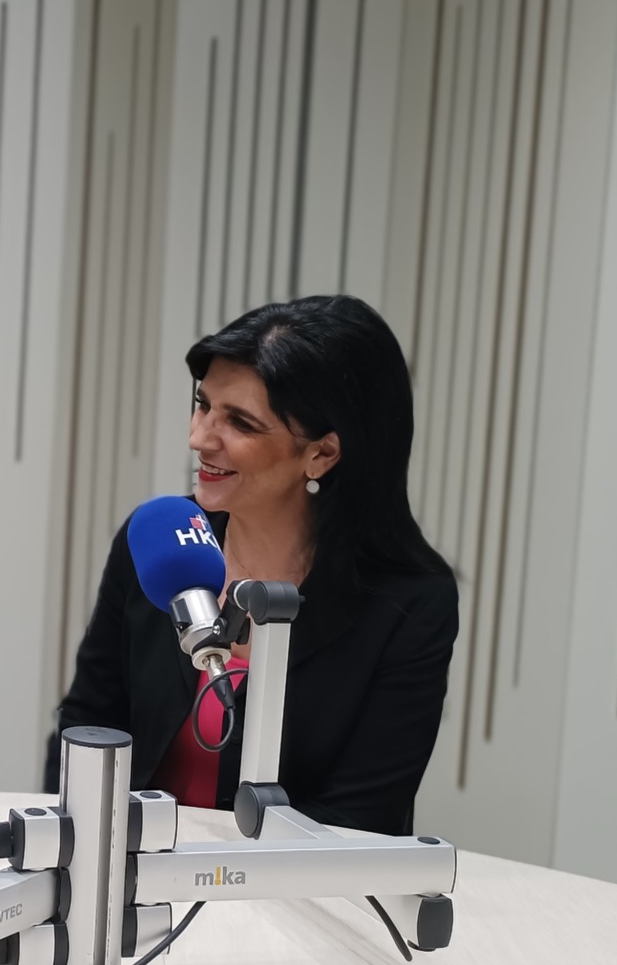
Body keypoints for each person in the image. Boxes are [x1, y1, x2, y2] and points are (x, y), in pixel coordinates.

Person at [50, 294, 458, 834]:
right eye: (203, 405)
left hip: (300, 884)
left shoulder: (411, 601)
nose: (199, 438)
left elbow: (360, 818)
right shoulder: (160, 539)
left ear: (321, 454)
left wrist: (211, 878)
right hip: (131, 872)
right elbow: (86, 727)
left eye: (240, 423)